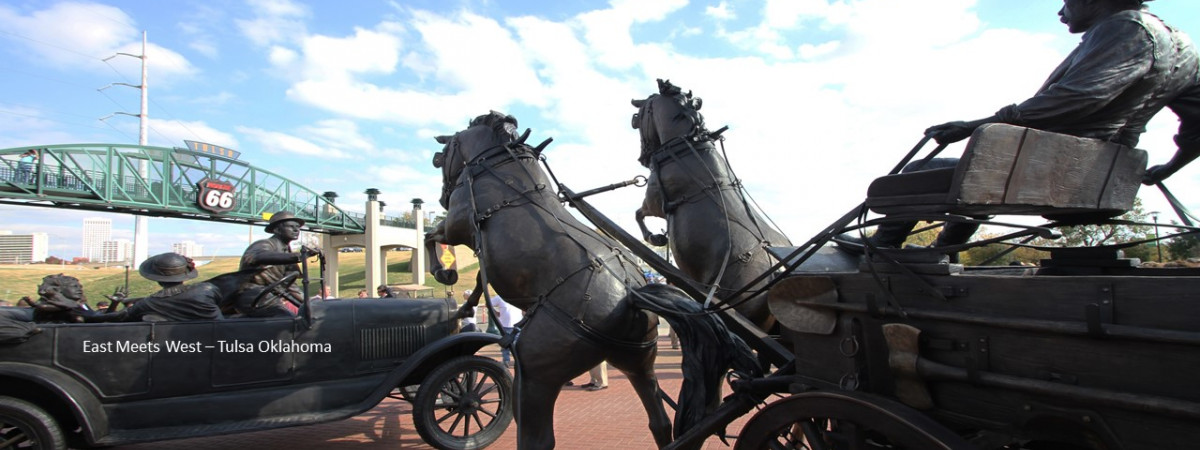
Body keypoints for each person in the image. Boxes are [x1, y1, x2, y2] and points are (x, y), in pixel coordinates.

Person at [846, 0, 1199, 251]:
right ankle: (944, 248)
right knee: (980, 173)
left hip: (1062, 171)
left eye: (1066, 1)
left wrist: (974, 125)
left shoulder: (1125, 27)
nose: (1061, 12)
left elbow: (1076, 98)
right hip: (1102, 176)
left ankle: (884, 245)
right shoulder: (1185, 47)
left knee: (916, 172)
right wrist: (1170, 168)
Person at [83, 253, 222, 323]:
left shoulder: (149, 303)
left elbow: (120, 316)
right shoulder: (207, 289)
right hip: (225, 341)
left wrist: (88, 316)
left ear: (157, 279)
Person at [237, 211, 317, 317]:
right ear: (277, 229)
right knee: (285, 318)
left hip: (269, 296)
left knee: (303, 319)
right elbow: (257, 256)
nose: (296, 230)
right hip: (252, 295)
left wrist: (312, 304)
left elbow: (291, 286)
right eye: (291, 226)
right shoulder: (263, 244)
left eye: (298, 227)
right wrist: (299, 256)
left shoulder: (287, 252)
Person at [490, 293, 523, 367]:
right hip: (505, 325)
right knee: (505, 344)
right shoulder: (499, 297)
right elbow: (488, 303)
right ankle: (506, 360)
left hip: (517, 324)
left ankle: (518, 361)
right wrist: (496, 313)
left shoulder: (518, 296)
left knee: (517, 344)